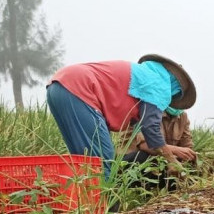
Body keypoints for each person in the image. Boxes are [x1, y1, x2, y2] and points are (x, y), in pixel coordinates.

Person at [46, 54, 197, 178]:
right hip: (79, 89)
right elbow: (151, 130)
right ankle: (108, 213)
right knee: (103, 161)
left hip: (59, 87)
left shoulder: (146, 78)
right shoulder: (158, 85)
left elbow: (143, 126)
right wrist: (171, 160)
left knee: (85, 162)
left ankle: (84, 209)